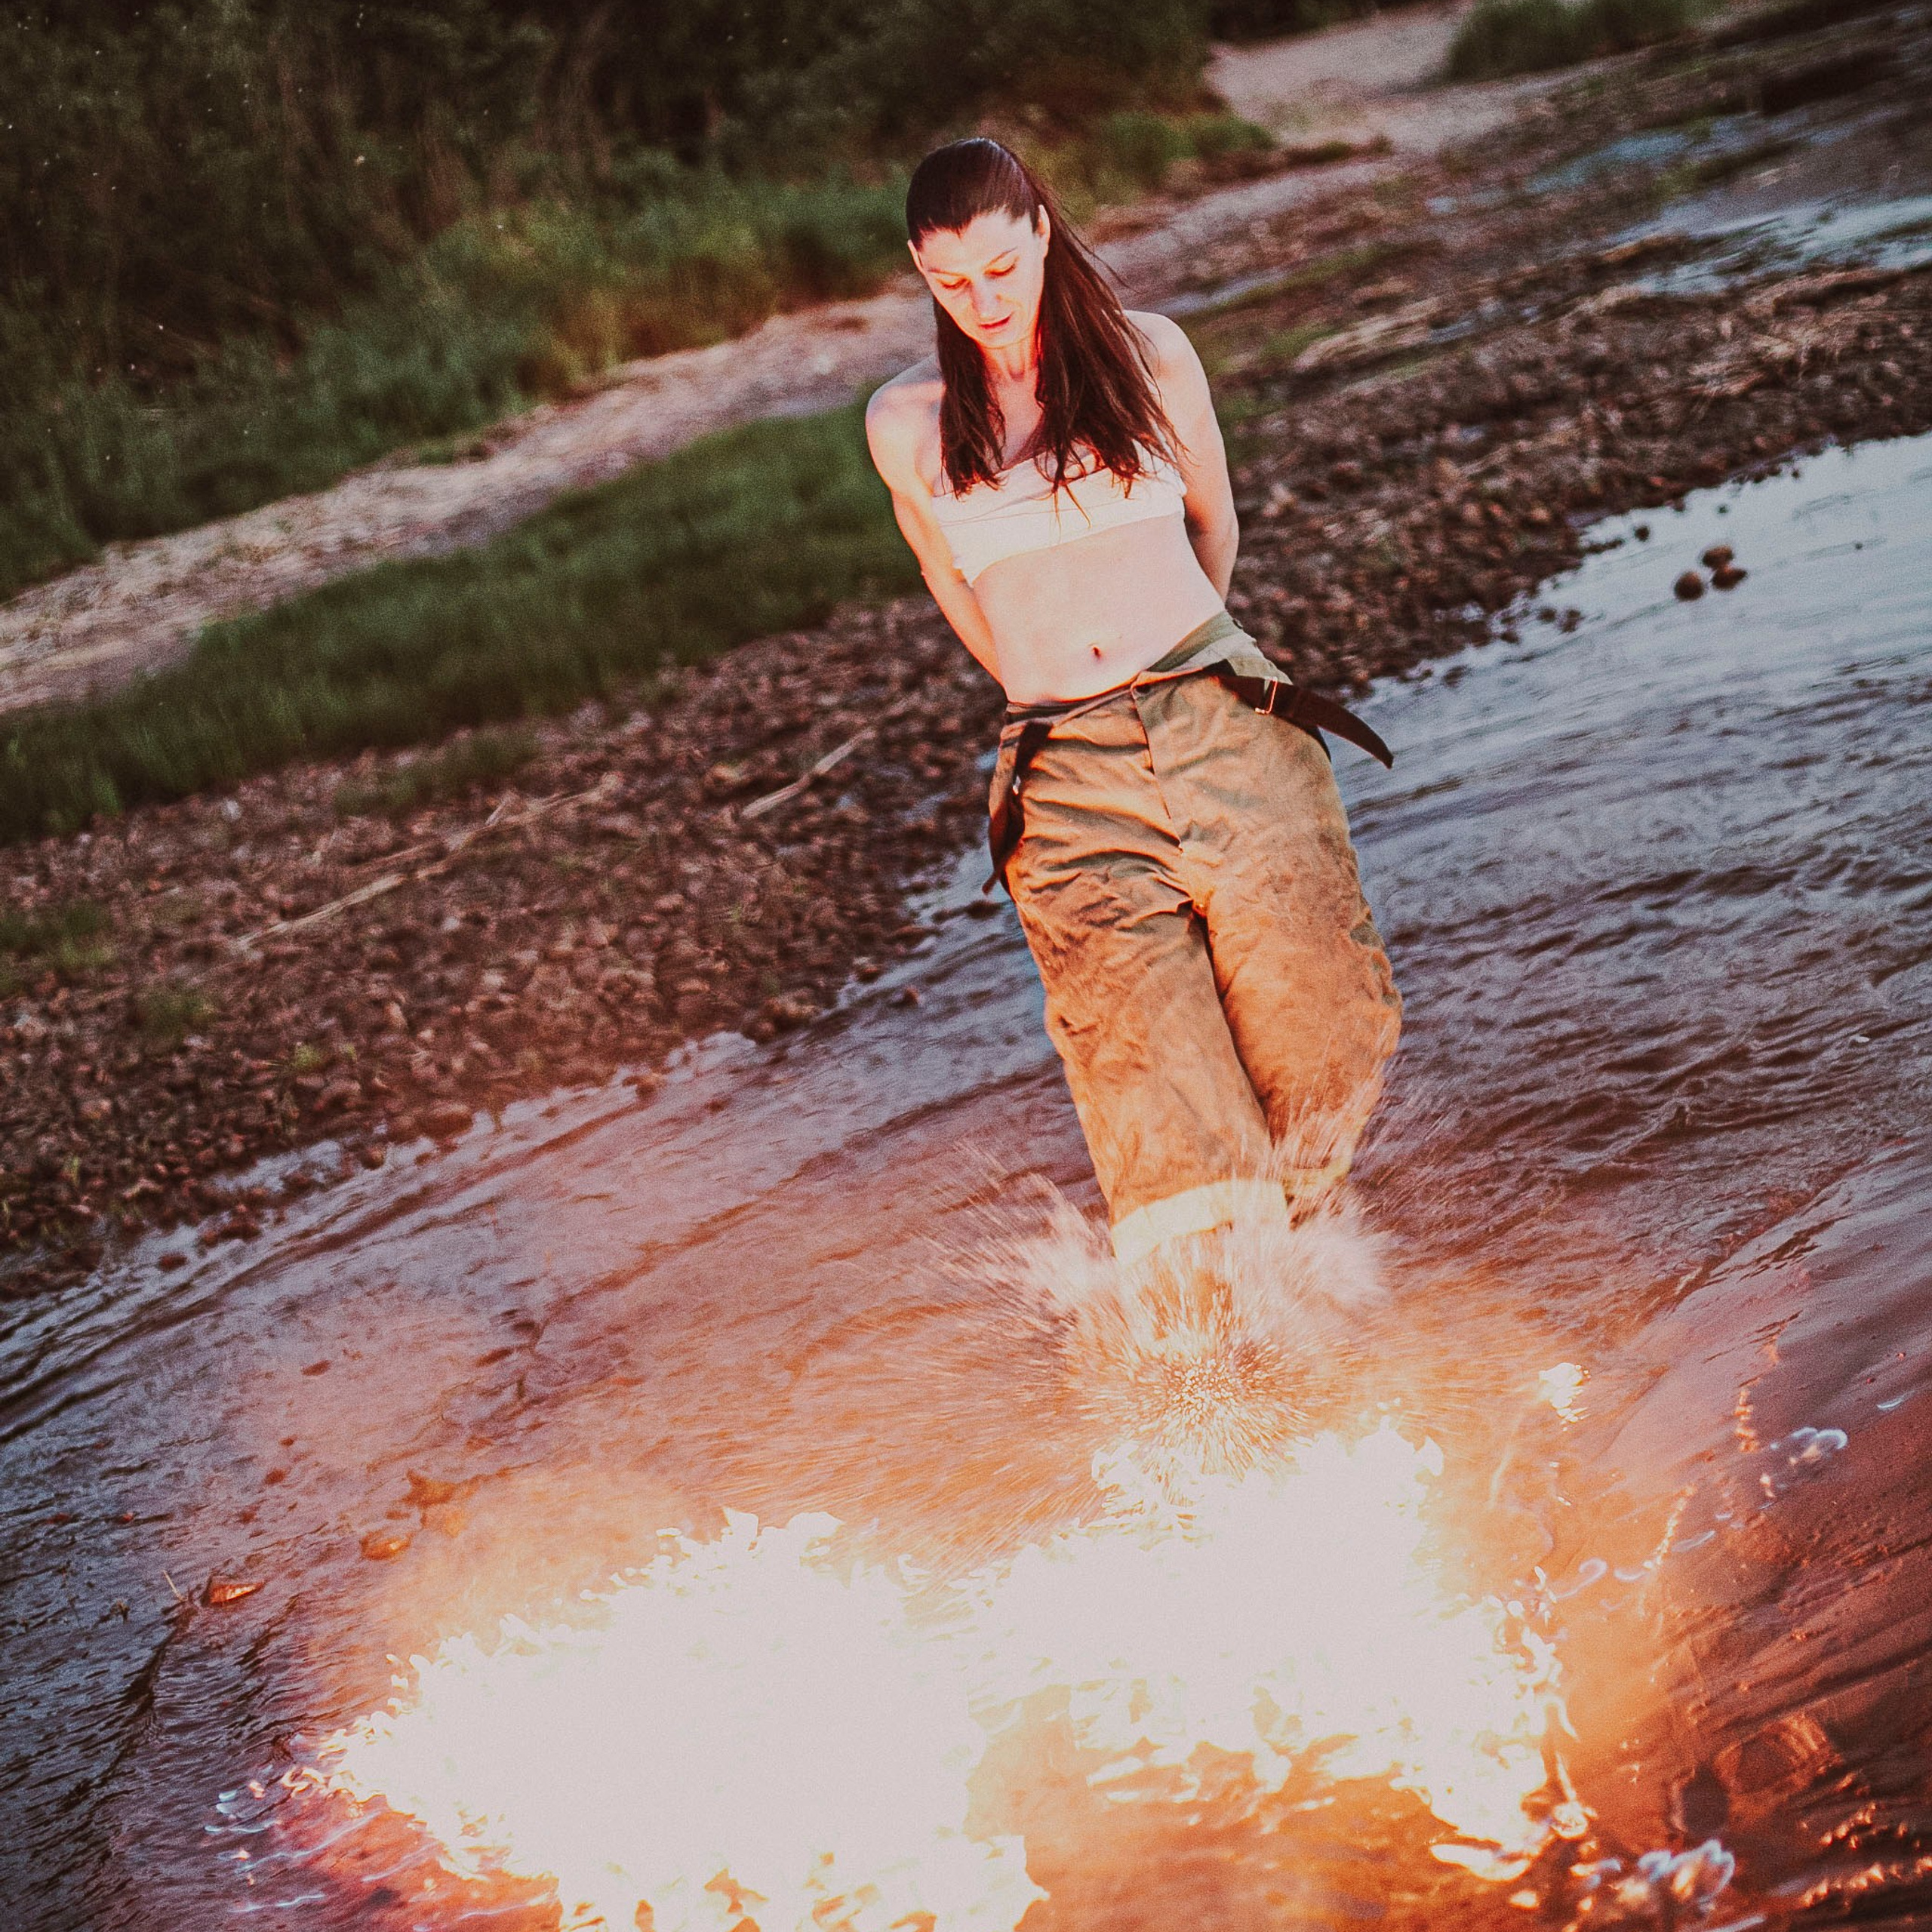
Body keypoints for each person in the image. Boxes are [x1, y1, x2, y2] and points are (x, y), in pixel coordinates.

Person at [866, 137, 1401, 1271]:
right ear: (920, 268)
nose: (985, 303)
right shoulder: (904, 424)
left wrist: (1182, 661)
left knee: (1326, 1032)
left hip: (1219, 712)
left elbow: (1219, 523)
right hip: (1065, 774)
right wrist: (1044, 688)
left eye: (1004, 270)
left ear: (1044, 234)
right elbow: (948, 584)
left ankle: (1313, 1273)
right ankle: (1234, 1342)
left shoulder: (1152, 354)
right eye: (952, 283)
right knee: (1155, 1097)